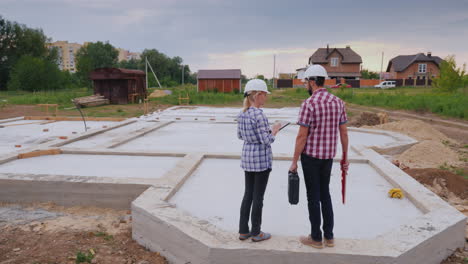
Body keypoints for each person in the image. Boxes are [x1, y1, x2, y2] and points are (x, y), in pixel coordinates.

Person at [289, 65, 349, 249]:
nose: (306, 85)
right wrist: (345, 157)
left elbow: (302, 136)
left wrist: (294, 162)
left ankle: (316, 238)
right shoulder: (338, 102)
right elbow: (344, 133)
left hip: (311, 158)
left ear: (313, 82)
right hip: (328, 157)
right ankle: (329, 237)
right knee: (325, 194)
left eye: (306, 81)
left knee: (313, 197)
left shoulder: (309, 104)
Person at [237, 79, 281, 242]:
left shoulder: (242, 113)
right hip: (261, 161)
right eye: (265, 95)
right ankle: (256, 232)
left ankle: (243, 230)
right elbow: (267, 140)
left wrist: (259, 134)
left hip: (247, 158)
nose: (266, 98)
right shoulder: (259, 114)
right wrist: (274, 130)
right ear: (258, 95)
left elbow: (240, 136)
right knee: (258, 197)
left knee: (248, 194)